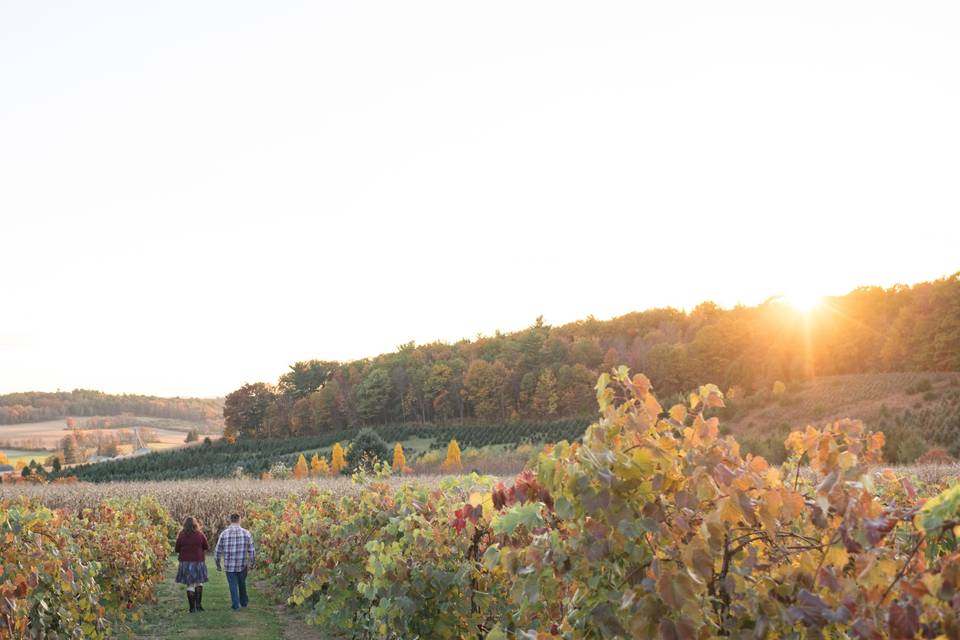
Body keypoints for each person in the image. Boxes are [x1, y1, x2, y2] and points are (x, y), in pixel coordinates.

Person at [214, 512, 256, 610]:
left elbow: (218, 550)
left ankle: (236, 605)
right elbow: (252, 550)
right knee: (242, 583)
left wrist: (218, 564)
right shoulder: (246, 533)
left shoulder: (224, 533)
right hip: (242, 564)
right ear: (239, 520)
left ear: (230, 520)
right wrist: (252, 563)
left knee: (233, 584)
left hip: (229, 565)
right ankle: (244, 602)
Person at [174, 516, 209, 613]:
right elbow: (206, 546)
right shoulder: (200, 534)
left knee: (190, 584)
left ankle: (192, 608)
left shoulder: (181, 535)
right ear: (195, 524)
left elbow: (177, 549)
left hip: (185, 563)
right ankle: (199, 606)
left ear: (185, 525)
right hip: (198, 562)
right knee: (198, 583)